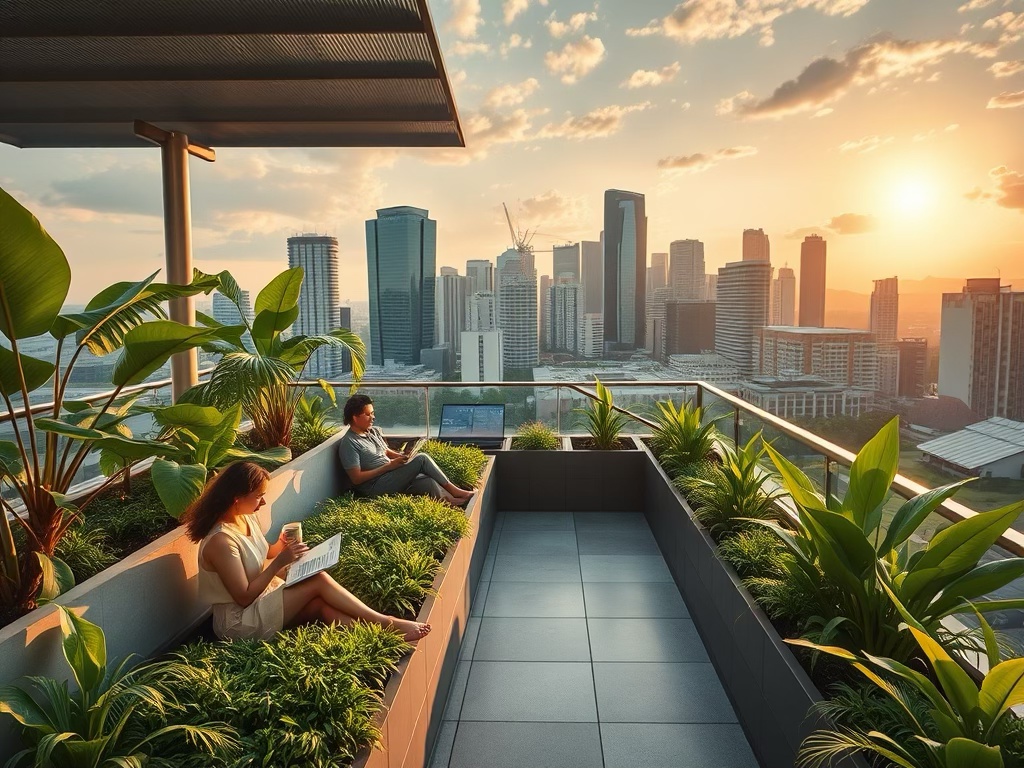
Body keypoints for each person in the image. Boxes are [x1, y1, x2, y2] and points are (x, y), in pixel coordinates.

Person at [184, 461, 431, 642]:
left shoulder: (245, 518)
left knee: (321, 607)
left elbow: (265, 552)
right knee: (318, 581)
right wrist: (281, 560)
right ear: (236, 498)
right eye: (259, 496)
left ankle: (385, 639)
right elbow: (244, 596)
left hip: (261, 602)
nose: (264, 503)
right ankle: (388, 623)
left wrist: (282, 544)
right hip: (240, 622)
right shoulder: (220, 541)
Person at [338, 394, 475, 506]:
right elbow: (356, 479)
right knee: (422, 459)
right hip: (376, 487)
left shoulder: (371, 432)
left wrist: (402, 456)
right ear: (355, 418)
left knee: (427, 481)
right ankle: (456, 491)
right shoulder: (349, 443)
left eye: (373, 413)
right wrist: (388, 467)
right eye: (368, 414)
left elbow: (385, 451)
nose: (373, 417)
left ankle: (452, 503)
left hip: (391, 475)